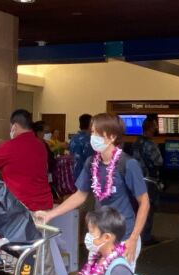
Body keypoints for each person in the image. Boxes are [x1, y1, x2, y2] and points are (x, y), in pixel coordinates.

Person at [37, 113, 149, 264]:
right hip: (99, 237)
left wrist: (134, 239)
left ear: (112, 137)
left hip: (124, 237)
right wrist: (51, 214)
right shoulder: (91, 162)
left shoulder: (128, 164)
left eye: (97, 133)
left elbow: (144, 202)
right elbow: (80, 195)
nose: (93, 137)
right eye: (92, 132)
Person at [0, 110, 54, 212]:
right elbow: (23, 152)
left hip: (22, 206)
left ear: (15, 126)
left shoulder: (10, 147)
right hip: (44, 205)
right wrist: (3, 143)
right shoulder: (41, 145)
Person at [132, 118, 164, 245]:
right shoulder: (151, 144)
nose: (156, 129)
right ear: (150, 128)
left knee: (137, 207)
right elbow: (158, 161)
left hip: (137, 179)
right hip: (150, 179)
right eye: (155, 127)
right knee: (148, 207)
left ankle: (136, 233)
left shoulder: (136, 142)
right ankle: (145, 235)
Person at [69, 113, 94, 181]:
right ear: (90, 125)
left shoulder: (73, 138)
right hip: (86, 176)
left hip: (74, 173)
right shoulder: (89, 140)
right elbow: (92, 160)